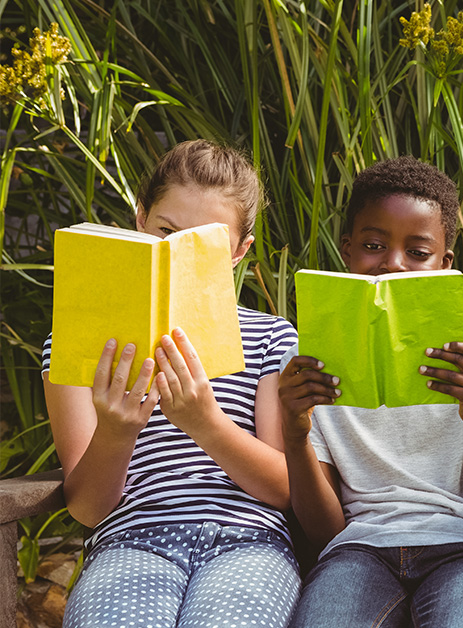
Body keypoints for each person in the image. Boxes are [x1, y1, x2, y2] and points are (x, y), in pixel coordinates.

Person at [44, 139, 300, 628]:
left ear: (239, 251)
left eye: (203, 244)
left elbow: (286, 489)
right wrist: (116, 433)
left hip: (248, 543)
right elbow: (86, 508)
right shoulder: (76, 340)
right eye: (166, 231)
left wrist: (206, 424)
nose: (177, 250)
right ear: (140, 219)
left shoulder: (271, 336)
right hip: (130, 539)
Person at [279, 156, 463, 628]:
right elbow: (325, 532)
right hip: (358, 551)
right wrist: (293, 432)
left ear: (444, 263)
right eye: (373, 245)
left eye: (417, 252)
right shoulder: (311, 362)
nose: (391, 263)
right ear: (347, 250)